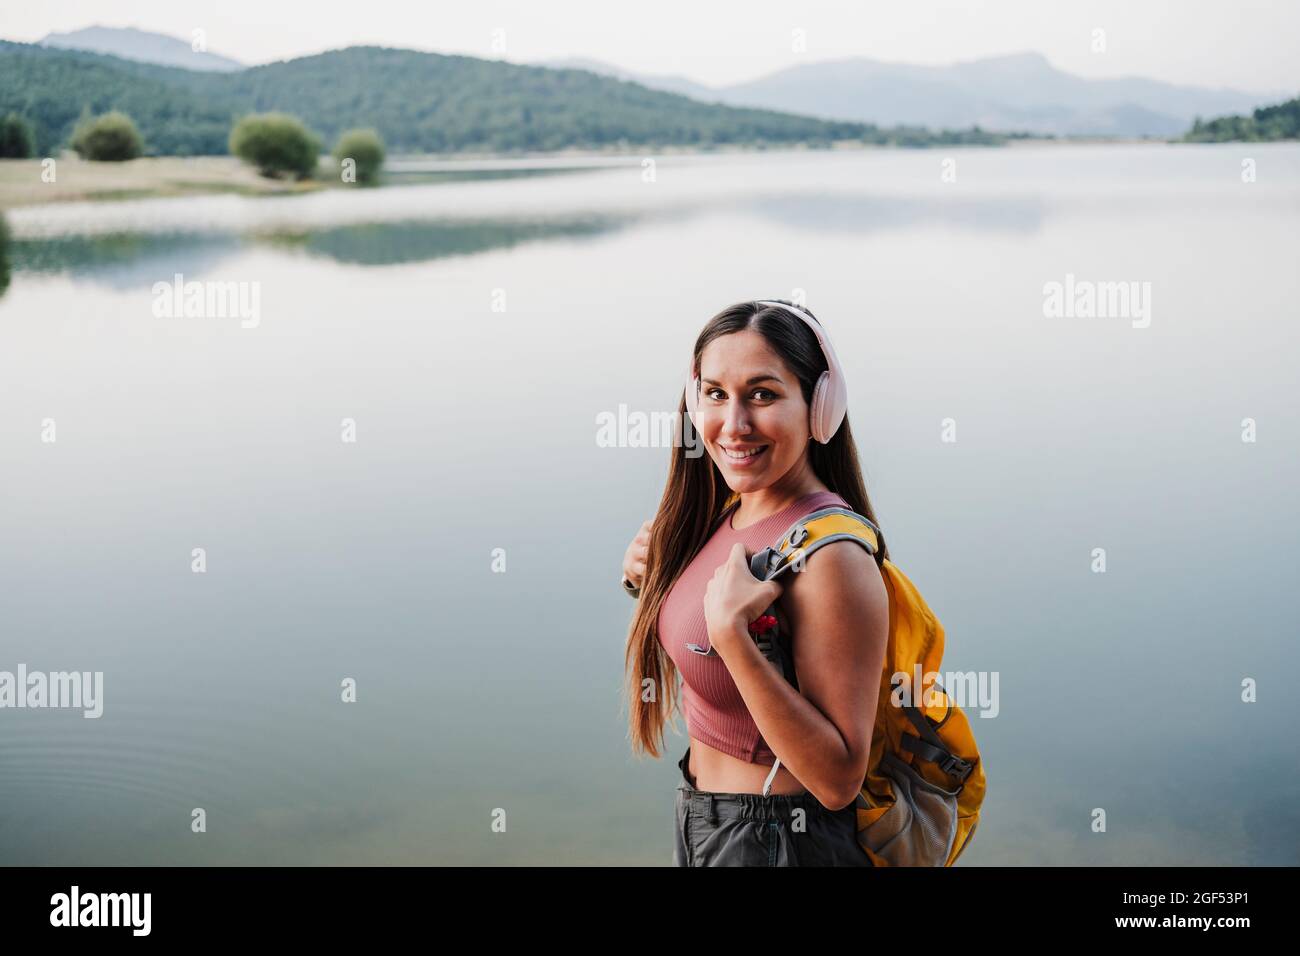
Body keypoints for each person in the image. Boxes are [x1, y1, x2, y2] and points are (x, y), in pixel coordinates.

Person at [621, 299, 891, 866]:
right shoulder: (731, 512)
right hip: (707, 818)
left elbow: (839, 779)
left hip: (777, 839)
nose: (734, 423)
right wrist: (651, 583)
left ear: (820, 409)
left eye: (763, 395)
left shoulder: (832, 558)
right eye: (716, 394)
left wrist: (733, 640)